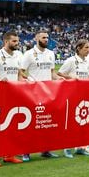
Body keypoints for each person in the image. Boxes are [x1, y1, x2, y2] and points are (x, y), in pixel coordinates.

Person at [21, 30, 60, 161]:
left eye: (47, 37)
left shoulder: (50, 54)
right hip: (33, 93)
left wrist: (62, 80)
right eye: (43, 37)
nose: (46, 40)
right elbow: (20, 72)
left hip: (48, 93)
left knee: (47, 123)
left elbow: (52, 73)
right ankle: (26, 151)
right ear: (36, 38)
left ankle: (46, 149)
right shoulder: (29, 54)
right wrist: (28, 82)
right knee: (32, 123)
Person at [0, 31, 24, 165]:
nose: (17, 44)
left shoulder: (18, 55)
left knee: (12, 125)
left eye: (17, 41)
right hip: (0, 96)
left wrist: (22, 83)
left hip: (14, 95)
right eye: (14, 41)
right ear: (6, 42)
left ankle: (9, 154)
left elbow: (19, 73)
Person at [57, 39, 89, 157]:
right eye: (86, 48)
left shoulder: (87, 61)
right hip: (72, 95)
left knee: (83, 123)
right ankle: (67, 148)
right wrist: (71, 78)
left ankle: (80, 147)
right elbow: (60, 73)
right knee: (71, 123)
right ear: (78, 48)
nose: (88, 50)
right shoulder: (71, 61)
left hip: (84, 96)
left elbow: (86, 75)